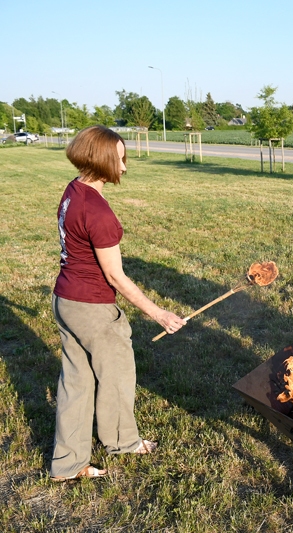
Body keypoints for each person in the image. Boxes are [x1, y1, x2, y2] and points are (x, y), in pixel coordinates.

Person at [50, 125, 187, 481]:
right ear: (102, 160)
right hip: (92, 308)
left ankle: (68, 464)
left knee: (76, 382)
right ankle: (123, 441)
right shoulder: (98, 213)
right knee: (117, 377)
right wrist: (158, 313)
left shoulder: (72, 191)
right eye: (120, 159)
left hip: (65, 299)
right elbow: (115, 276)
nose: (124, 167)